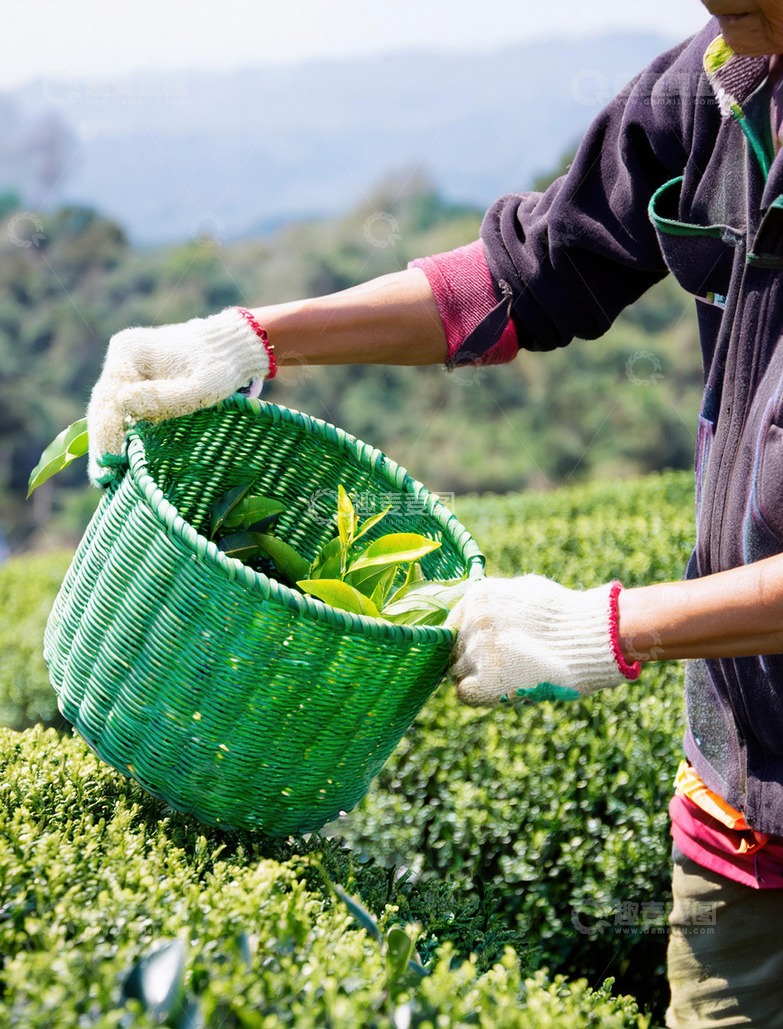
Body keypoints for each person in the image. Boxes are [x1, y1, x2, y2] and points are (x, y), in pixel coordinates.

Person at [87, 3, 783, 1024]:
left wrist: (606, 629)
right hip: (736, 819)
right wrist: (249, 340)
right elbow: (520, 275)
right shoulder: (712, 85)